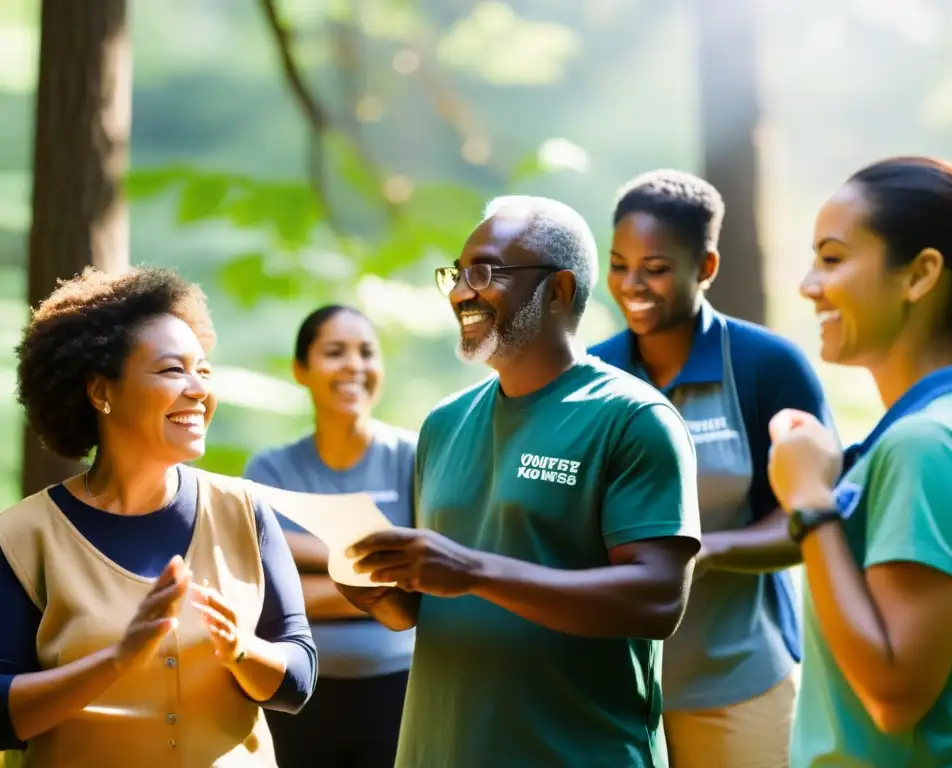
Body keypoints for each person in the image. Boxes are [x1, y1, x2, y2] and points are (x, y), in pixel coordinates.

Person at [341, 195, 702, 768]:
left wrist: (473, 571)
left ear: (557, 290)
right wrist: (384, 596)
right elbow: (433, 605)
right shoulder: (443, 423)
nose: (462, 292)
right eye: (457, 275)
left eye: (484, 272)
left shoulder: (632, 419)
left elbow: (657, 598)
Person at [0, 267, 316, 767]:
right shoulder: (21, 536)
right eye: (173, 370)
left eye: (204, 371)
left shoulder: (245, 510)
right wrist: (117, 659)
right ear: (101, 392)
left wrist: (241, 650)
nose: (198, 390)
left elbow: (297, 681)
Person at [766, 156, 952, 766]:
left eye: (832, 258)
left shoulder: (933, 445)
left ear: (920, 274)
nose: (809, 284)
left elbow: (894, 691)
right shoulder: (935, 432)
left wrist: (809, 502)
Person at [588, 169, 832, 767]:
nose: (631, 284)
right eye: (619, 265)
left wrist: (702, 551)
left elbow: (812, 515)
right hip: (614, 688)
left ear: (707, 267)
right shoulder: (591, 376)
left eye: (656, 267)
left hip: (741, 681)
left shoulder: (766, 365)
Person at [243, 305, 416, 768]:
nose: (353, 366)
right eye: (335, 352)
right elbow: (259, 596)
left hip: (402, 692)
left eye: (366, 352)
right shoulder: (269, 470)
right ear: (302, 369)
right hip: (299, 694)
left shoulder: (414, 457)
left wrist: (305, 565)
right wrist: (383, 566)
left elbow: (428, 583)